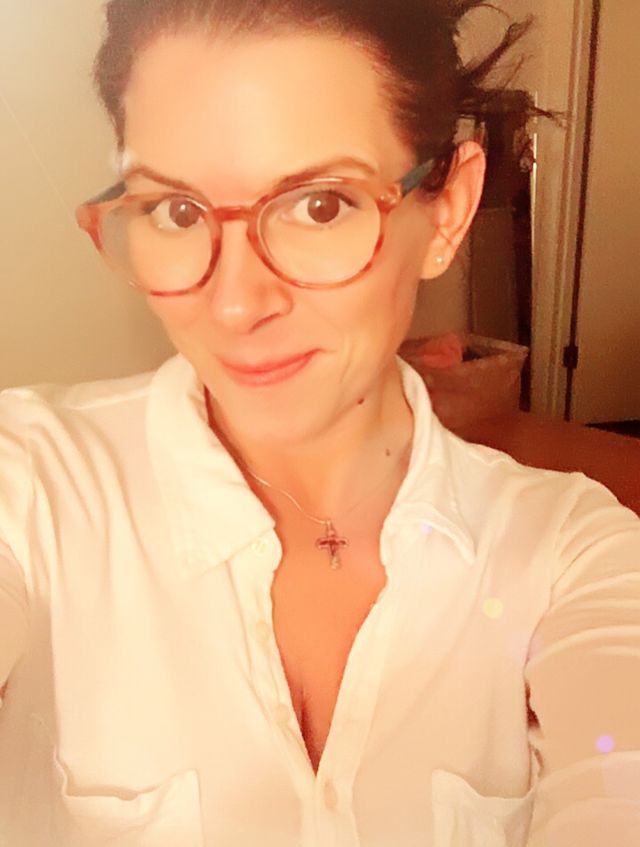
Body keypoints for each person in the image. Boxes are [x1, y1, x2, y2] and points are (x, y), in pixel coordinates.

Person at [0, 1, 639, 844]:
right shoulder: (34, 486)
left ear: (447, 209)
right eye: (177, 212)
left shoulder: (569, 553)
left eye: (321, 205)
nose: (236, 304)